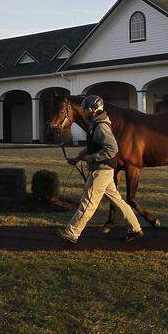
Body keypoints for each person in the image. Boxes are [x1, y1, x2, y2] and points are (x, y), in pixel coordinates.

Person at [56, 95, 143, 244]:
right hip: (104, 169)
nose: (83, 112)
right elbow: (92, 147)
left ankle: (72, 233)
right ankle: (135, 228)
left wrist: (92, 158)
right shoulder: (94, 124)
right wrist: (77, 158)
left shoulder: (101, 126)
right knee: (118, 200)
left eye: (85, 109)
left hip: (102, 170)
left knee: (88, 202)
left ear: (93, 109)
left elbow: (112, 149)